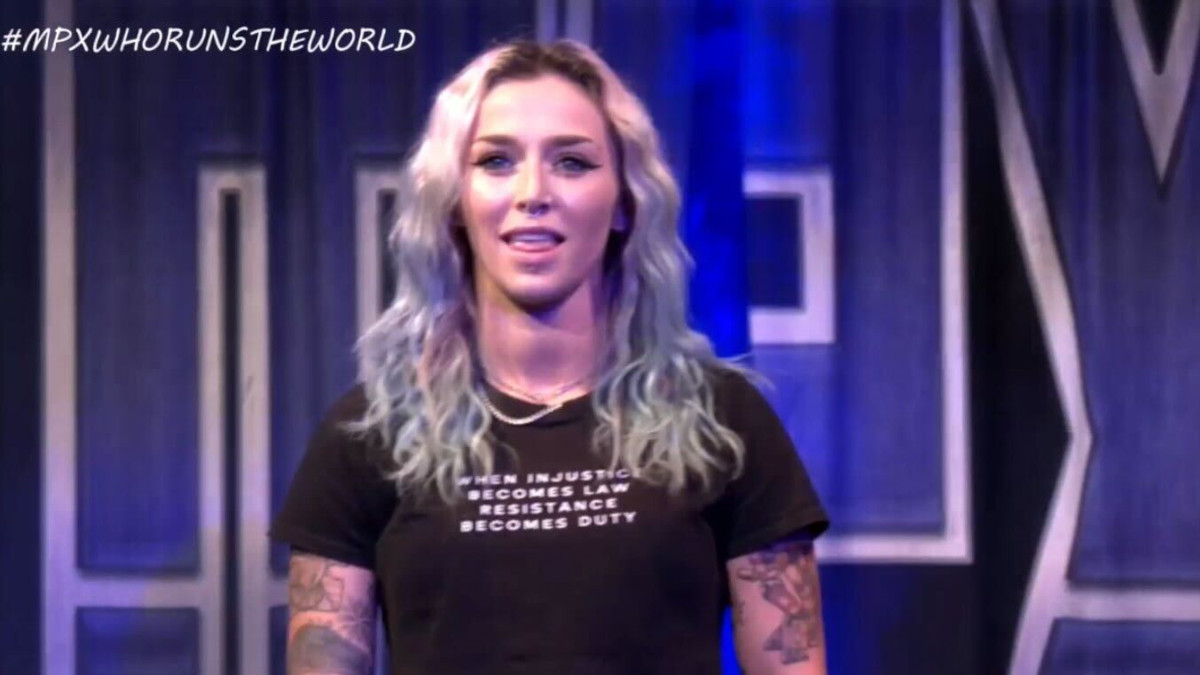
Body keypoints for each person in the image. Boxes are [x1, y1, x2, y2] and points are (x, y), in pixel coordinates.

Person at [269, 39, 830, 674]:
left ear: (625, 204)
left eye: (571, 162)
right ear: (455, 201)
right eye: (496, 161)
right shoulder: (371, 432)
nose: (533, 192)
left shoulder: (722, 419)